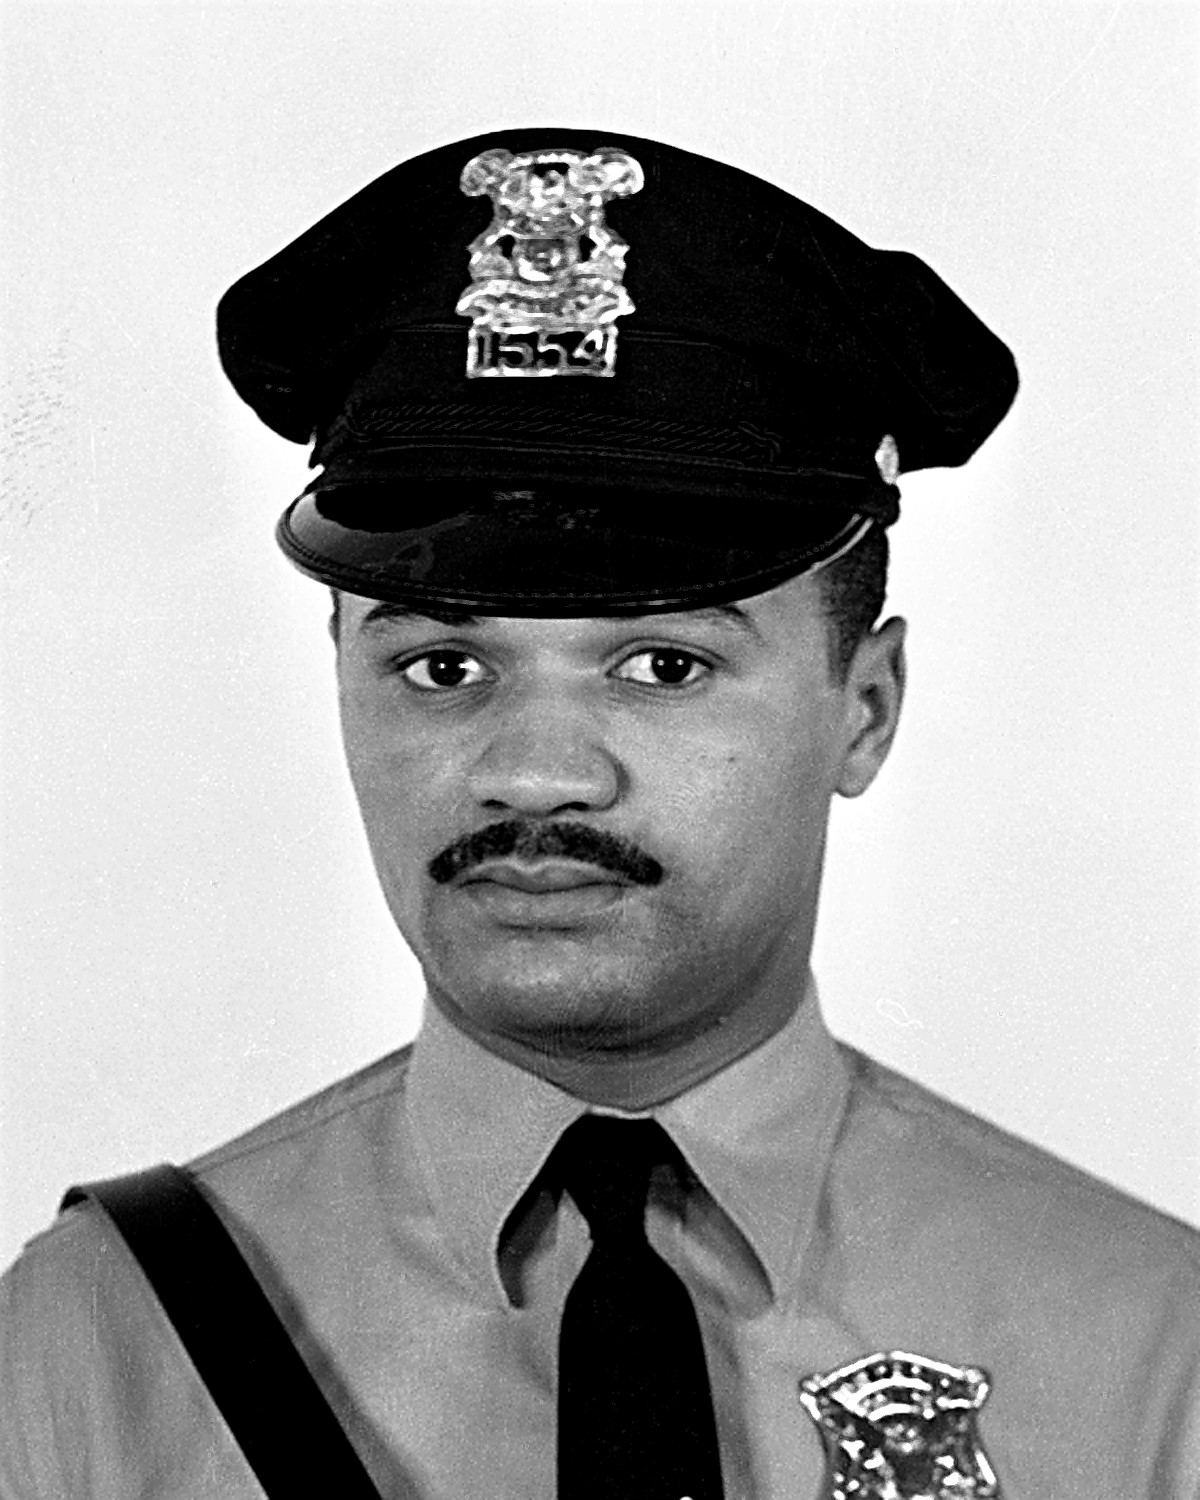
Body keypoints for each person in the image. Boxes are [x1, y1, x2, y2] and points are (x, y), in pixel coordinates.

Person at [1, 128, 1197, 1500]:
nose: (535, 774)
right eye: (441, 667)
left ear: (864, 710)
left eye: (663, 666)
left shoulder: (1154, 1363)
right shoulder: (89, 1355)